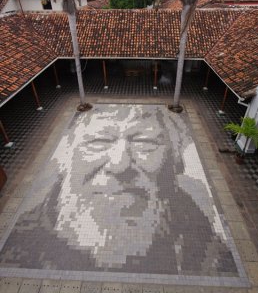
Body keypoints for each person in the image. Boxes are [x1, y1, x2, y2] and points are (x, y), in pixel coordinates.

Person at [0, 105, 239, 277]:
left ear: (176, 162)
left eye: (145, 142)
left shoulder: (213, 255)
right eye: (98, 142)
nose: (119, 164)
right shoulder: (16, 249)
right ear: (64, 160)